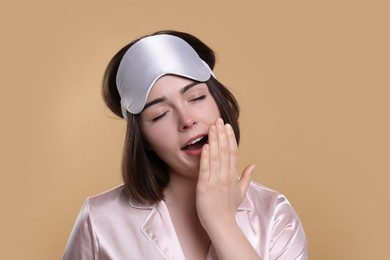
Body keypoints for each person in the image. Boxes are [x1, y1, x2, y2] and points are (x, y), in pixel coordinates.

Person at [63, 30, 308, 260]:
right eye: (159, 114)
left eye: (197, 97)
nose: (187, 120)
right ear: (143, 140)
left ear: (220, 104)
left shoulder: (275, 215)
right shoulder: (99, 220)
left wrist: (221, 222)